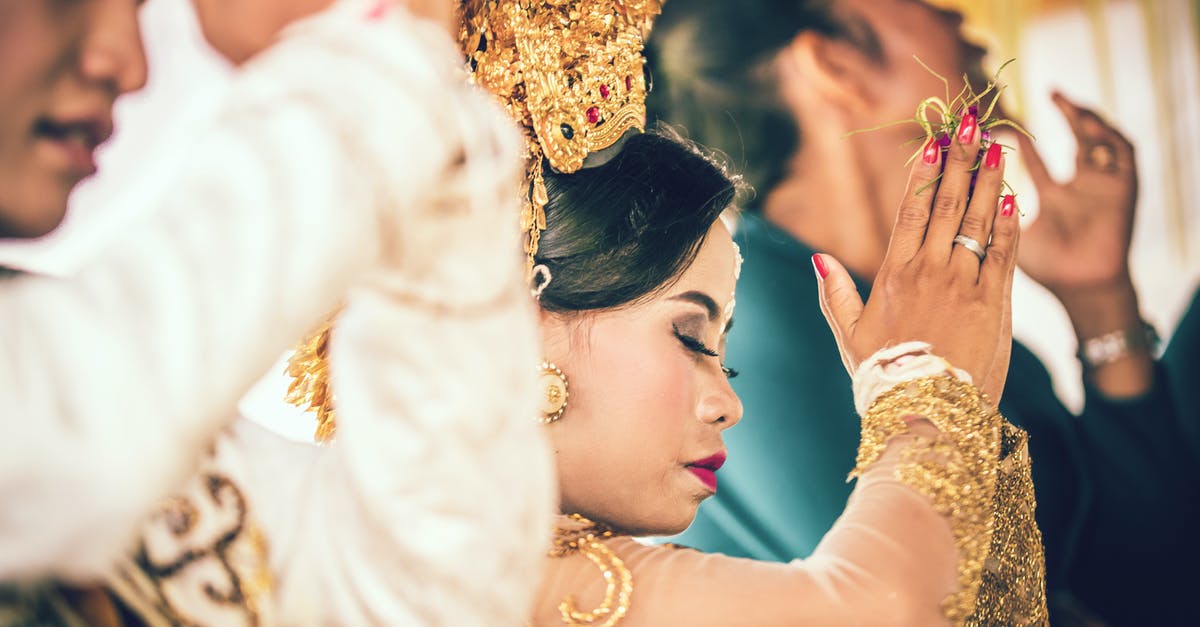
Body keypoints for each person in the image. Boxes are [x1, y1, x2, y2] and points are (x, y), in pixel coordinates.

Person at [459, 1, 1046, 623]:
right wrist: (924, 387)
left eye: (724, 359)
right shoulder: (489, 569)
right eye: (688, 337)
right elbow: (882, 610)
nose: (729, 407)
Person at [645, 0, 1199, 623]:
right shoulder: (739, 335)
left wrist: (1099, 301)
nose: (957, 15)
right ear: (834, 65)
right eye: (928, 2)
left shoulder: (947, 308)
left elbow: (1155, 581)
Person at [1, 0, 553, 623]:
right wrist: (371, 68)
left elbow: (430, 595)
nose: (127, 66)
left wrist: (436, 147)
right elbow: (79, 452)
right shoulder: (77, 393)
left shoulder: (111, 387)